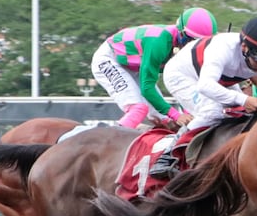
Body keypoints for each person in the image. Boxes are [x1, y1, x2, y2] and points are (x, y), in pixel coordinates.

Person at [149, 15, 257, 179]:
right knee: (213, 111)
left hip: (221, 79)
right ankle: (167, 156)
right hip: (183, 75)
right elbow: (205, 85)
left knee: (240, 112)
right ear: (244, 47)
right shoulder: (223, 49)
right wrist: (245, 99)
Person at [90, 7, 218, 130]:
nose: (192, 46)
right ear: (180, 31)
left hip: (135, 66)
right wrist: (177, 115)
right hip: (109, 59)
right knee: (139, 109)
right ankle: (112, 138)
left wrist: (188, 114)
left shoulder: (185, 48)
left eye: (200, 43)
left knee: (166, 120)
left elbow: (183, 87)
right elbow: (147, 89)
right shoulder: (159, 43)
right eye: (189, 40)